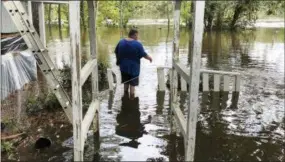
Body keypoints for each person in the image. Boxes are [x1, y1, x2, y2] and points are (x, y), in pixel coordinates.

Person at [114, 29, 152, 97]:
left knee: (125, 83)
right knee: (132, 85)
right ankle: (131, 99)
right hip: (134, 69)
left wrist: (118, 61)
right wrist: (149, 58)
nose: (138, 37)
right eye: (137, 35)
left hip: (123, 68)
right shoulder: (138, 44)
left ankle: (125, 97)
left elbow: (116, 52)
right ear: (134, 35)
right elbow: (143, 54)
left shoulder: (121, 42)